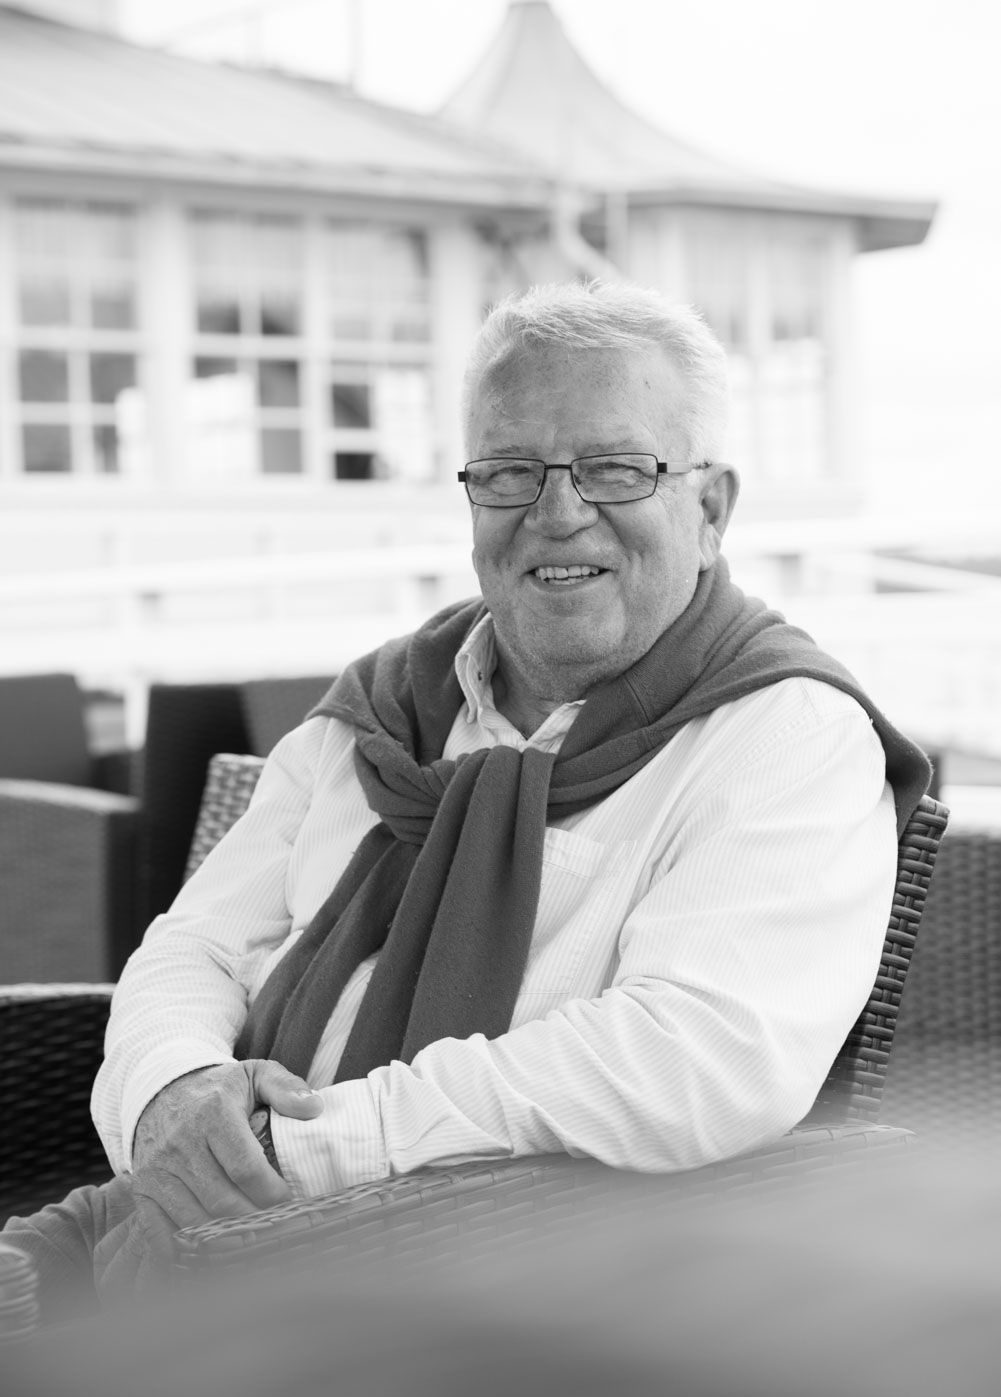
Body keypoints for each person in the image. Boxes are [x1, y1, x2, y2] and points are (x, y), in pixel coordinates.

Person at [2, 279, 929, 1314]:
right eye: (508, 472)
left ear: (709, 508)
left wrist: (303, 1149)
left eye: (615, 468)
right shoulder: (381, 707)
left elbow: (700, 1054)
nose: (557, 513)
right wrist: (172, 1093)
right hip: (190, 1221)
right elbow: (197, 947)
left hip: (505, 1302)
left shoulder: (784, 734)